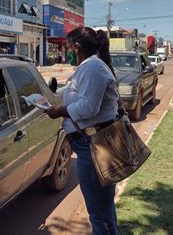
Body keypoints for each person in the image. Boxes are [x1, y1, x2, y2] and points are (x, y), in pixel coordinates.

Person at [46, 26, 119, 235]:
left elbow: (88, 107)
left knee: (99, 213)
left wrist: (60, 110)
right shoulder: (90, 67)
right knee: (103, 208)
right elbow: (80, 95)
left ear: (76, 47)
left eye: (69, 47)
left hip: (93, 145)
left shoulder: (92, 68)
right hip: (91, 143)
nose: (67, 52)